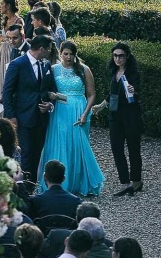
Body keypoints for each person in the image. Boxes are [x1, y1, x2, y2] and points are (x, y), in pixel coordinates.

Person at [38, 41, 103, 196]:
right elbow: (44, 89)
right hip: (59, 110)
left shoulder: (83, 69)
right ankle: (57, 183)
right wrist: (51, 96)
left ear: (75, 54)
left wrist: (85, 113)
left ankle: (80, 182)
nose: (68, 57)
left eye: (71, 54)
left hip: (79, 108)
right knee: (60, 143)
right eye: (65, 54)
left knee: (79, 145)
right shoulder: (53, 69)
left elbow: (92, 94)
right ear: (60, 53)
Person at [3, 34, 57, 186]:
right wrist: (11, 116)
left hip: (41, 117)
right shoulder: (17, 64)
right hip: (23, 116)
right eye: (49, 49)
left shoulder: (46, 65)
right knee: (26, 152)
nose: (50, 52)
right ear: (41, 49)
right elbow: (7, 92)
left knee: (38, 152)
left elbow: (51, 89)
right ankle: (25, 186)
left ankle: (33, 183)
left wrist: (49, 104)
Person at [91, 42, 143, 196]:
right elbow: (112, 94)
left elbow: (137, 92)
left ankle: (137, 181)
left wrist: (134, 91)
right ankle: (125, 182)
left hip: (131, 115)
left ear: (127, 57)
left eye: (121, 56)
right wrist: (100, 106)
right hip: (116, 115)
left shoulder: (133, 73)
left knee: (134, 149)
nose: (118, 58)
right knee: (116, 148)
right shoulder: (113, 72)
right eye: (115, 55)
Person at [0, 0, 25, 103]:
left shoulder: (18, 20)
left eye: (2, 4)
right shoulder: (5, 20)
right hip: (3, 51)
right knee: (1, 77)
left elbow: (20, 38)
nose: (0, 7)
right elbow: (2, 36)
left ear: (8, 6)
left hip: (12, 51)